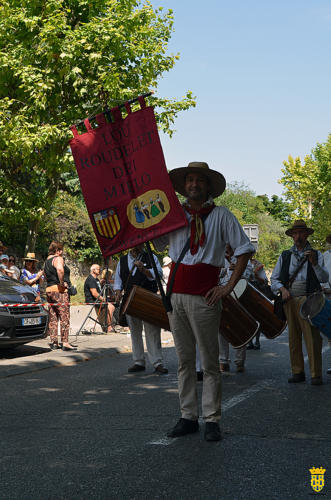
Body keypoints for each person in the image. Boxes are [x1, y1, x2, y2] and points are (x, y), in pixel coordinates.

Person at [153, 162, 255, 441]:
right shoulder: (172, 215)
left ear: (209, 187)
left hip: (206, 296)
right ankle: (188, 416)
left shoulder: (222, 215)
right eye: (189, 180)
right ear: (184, 186)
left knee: (209, 362)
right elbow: (156, 243)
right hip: (176, 295)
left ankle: (212, 419)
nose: (194, 185)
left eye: (199, 180)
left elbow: (245, 249)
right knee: (185, 361)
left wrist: (227, 287)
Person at [271, 220, 328, 385]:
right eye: (295, 233)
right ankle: (298, 372)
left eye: (301, 233)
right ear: (292, 236)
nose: (298, 236)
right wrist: (283, 290)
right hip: (289, 299)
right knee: (293, 338)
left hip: (310, 299)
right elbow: (274, 279)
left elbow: (325, 279)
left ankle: (316, 374)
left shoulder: (316, 254)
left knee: (312, 338)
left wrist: (315, 264)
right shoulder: (285, 255)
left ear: (307, 235)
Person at [114, 244, 168, 374]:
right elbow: (118, 279)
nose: (136, 247)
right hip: (130, 298)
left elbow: (159, 274)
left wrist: (144, 270)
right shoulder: (122, 260)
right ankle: (138, 361)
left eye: (139, 244)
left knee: (153, 331)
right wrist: (117, 293)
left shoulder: (151, 257)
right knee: (135, 331)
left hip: (148, 298)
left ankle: (157, 362)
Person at [219, 244, 253, 373]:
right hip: (222, 295)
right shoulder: (218, 256)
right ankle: (223, 361)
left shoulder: (243, 257)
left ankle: (240, 361)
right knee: (222, 328)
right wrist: (223, 272)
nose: (227, 247)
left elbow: (250, 274)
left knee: (240, 327)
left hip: (239, 295)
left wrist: (238, 270)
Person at [44, 241, 76, 351]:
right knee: (64, 316)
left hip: (49, 290)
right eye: (61, 250)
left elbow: (45, 275)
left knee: (53, 316)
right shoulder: (58, 259)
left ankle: (54, 342)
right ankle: (65, 342)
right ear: (57, 251)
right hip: (59, 291)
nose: (62, 252)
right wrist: (62, 283)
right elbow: (60, 269)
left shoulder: (46, 262)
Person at [84, 264, 115, 333]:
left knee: (111, 306)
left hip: (98, 300)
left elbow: (98, 288)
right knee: (110, 307)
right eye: (98, 269)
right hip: (93, 300)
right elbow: (94, 293)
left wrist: (101, 283)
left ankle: (109, 324)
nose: (100, 270)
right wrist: (103, 299)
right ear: (93, 270)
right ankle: (108, 327)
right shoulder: (90, 279)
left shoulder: (96, 279)